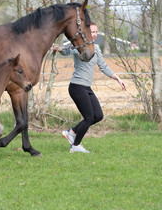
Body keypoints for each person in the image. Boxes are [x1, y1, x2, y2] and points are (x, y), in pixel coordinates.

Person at [53, 22, 126, 153]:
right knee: (88, 117)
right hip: (76, 86)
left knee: (98, 116)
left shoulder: (96, 48)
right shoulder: (79, 45)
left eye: (96, 32)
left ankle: (72, 132)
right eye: (92, 32)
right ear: (86, 32)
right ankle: (75, 146)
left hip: (87, 87)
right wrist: (58, 49)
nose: (95, 34)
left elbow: (103, 66)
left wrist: (118, 79)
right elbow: (66, 51)